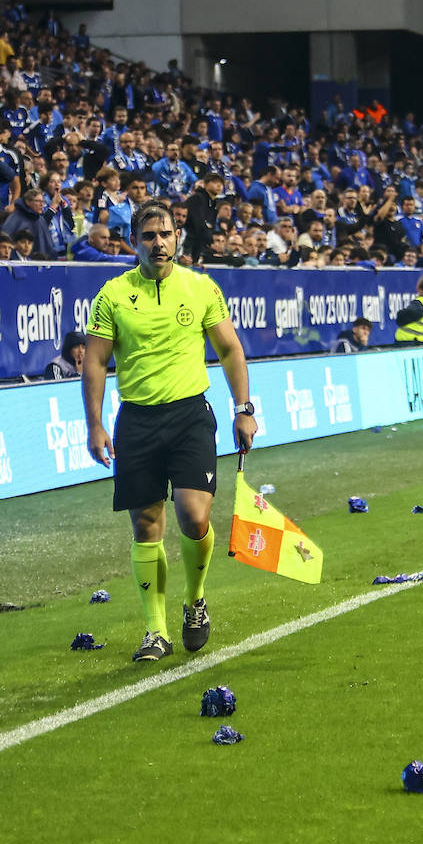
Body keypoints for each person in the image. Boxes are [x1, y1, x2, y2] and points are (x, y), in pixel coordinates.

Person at [82, 202, 257, 663]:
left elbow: (230, 349)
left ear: (177, 238)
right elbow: (96, 362)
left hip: (189, 417)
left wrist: (244, 409)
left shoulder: (200, 287)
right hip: (137, 420)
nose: (158, 243)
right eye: (148, 236)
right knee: (145, 525)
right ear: (134, 241)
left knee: (195, 518)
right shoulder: (113, 294)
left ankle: (194, 600)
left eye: (165, 234)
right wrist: (96, 424)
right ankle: (155, 631)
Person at [394, 273, 423, 345]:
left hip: (411, 343)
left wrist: (400, 313)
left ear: (418, 287)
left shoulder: (420, 303)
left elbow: (401, 318)